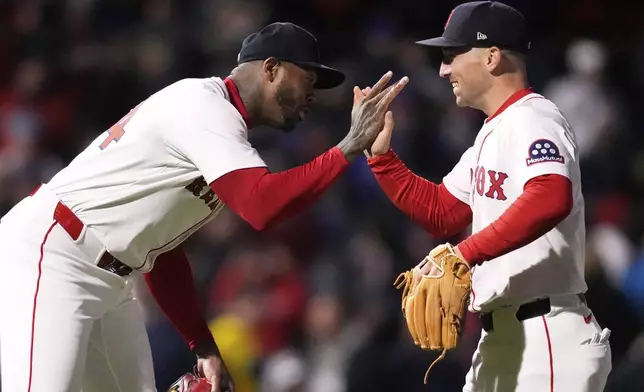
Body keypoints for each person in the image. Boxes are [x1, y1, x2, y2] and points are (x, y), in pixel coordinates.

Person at [0, 22, 408, 392]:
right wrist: (347, 146)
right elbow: (261, 205)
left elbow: (159, 250)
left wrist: (202, 345)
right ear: (271, 69)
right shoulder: (205, 106)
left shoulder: (220, 128)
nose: (312, 96)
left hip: (112, 274)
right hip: (52, 252)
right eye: (308, 79)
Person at [362, 2, 612, 391]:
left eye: (452, 55)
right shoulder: (491, 133)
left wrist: (464, 253)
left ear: (492, 57)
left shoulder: (534, 118)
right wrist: (381, 160)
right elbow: (443, 212)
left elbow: (551, 195)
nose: (444, 69)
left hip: (546, 340)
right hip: (504, 339)